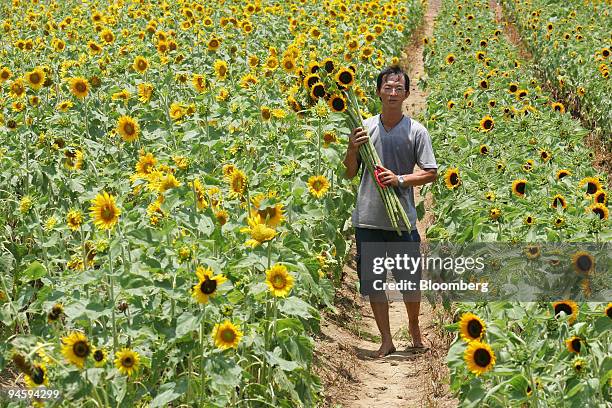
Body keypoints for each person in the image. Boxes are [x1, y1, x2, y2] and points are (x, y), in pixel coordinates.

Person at [343, 66, 438, 357]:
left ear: (407, 93)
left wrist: (398, 179)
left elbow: (430, 172)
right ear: (378, 92)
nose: (393, 93)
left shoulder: (416, 131)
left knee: (409, 280)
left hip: (402, 220)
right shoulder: (364, 129)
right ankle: (386, 339)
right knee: (373, 283)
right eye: (388, 87)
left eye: (399, 88)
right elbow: (350, 173)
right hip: (368, 218)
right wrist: (351, 148)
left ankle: (413, 328)